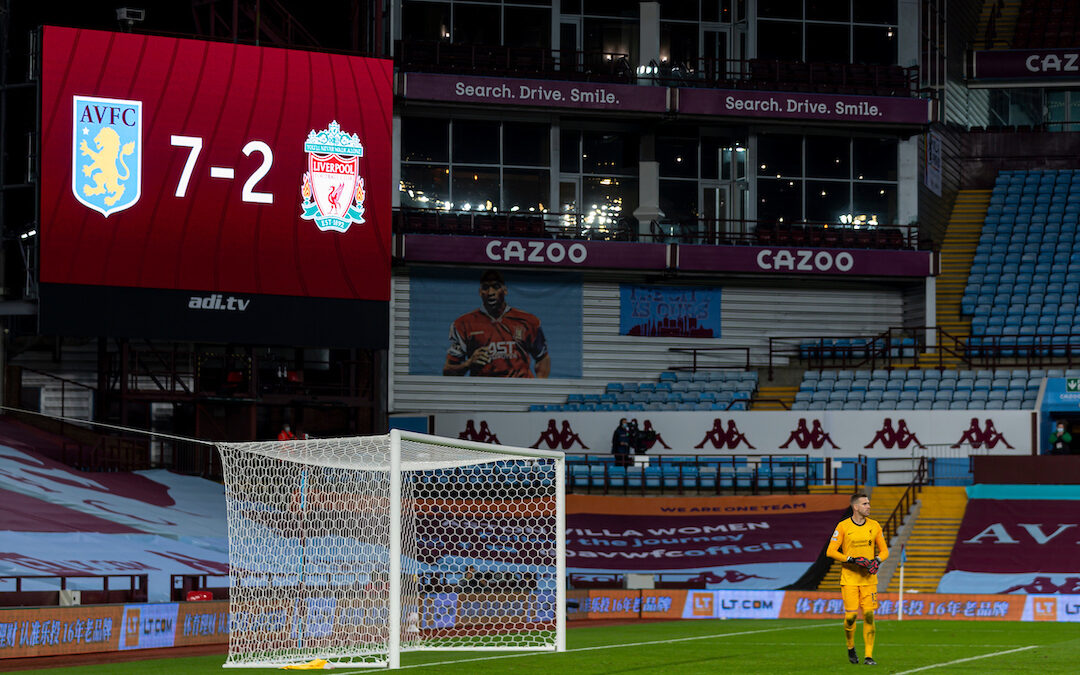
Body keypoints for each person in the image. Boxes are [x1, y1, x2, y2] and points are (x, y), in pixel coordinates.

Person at [443, 270, 550, 378]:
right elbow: (447, 371)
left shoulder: (528, 321)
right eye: (485, 287)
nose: (490, 292)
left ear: (505, 290)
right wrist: (468, 364)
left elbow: (543, 358)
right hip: (484, 391)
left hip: (520, 390)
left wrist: (538, 389)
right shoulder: (463, 324)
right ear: (480, 292)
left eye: (496, 286)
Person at [826, 493, 888, 666]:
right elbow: (830, 551)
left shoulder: (874, 526)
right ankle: (850, 647)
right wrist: (851, 560)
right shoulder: (843, 526)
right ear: (856, 507)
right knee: (851, 617)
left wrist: (877, 560)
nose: (869, 506)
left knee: (869, 616)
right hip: (849, 578)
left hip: (869, 580)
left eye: (869, 503)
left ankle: (869, 656)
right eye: (865, 503)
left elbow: (884, 551)